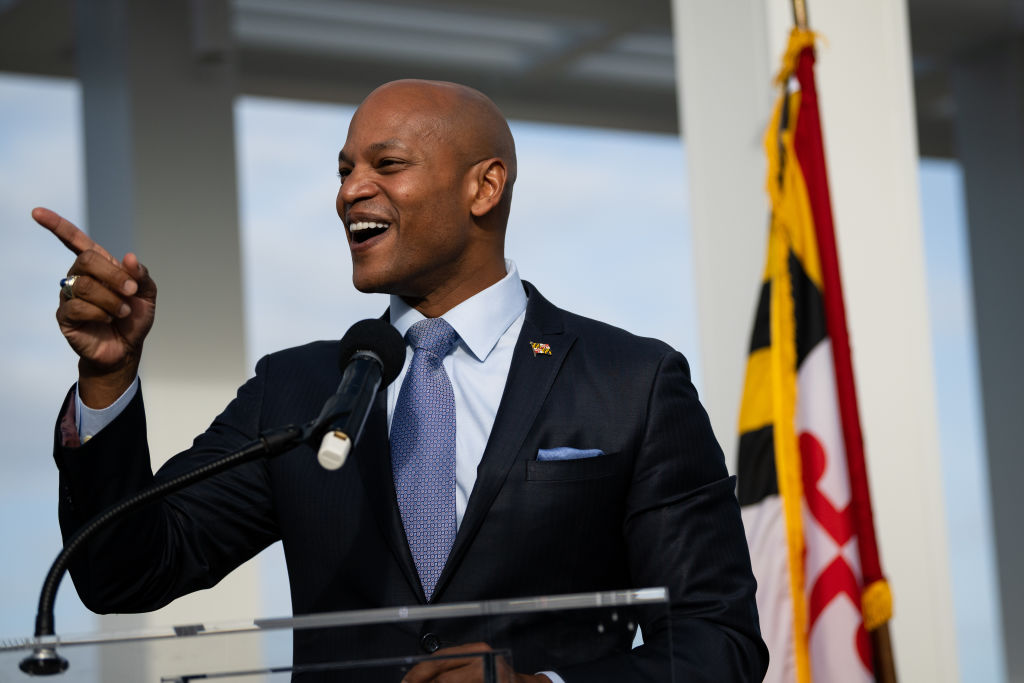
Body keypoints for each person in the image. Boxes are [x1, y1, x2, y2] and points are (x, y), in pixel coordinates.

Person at [36, 80, 768, 682]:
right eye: (344, 170)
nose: (351, 192)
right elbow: (122, 573)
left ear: (484, 187)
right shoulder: (297, 389)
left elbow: (716, 642)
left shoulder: (631, 383)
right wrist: (108, 377)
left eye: (385, 166)